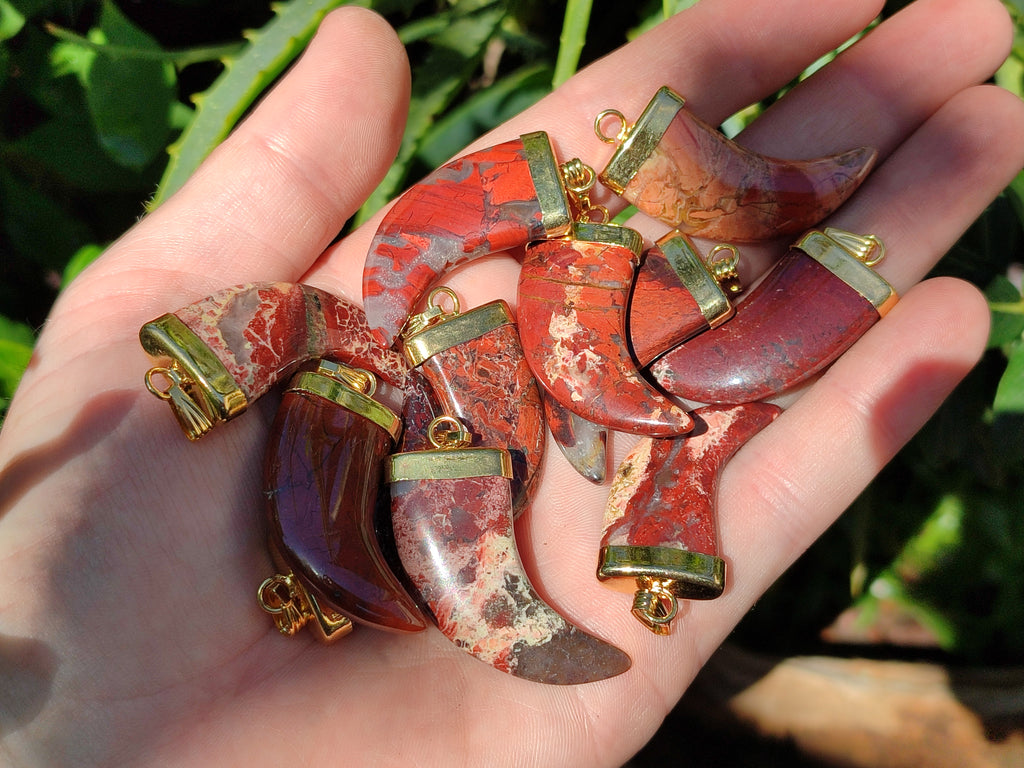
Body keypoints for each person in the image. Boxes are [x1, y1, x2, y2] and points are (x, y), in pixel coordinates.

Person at [1, 0, 1021, 765]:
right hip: (491, 356)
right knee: (656, 400)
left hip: (542, 334)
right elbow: (426, 344)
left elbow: (598, 380)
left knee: (666, 391)